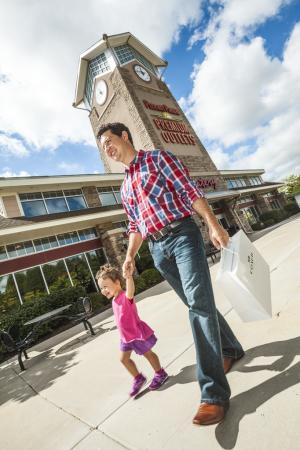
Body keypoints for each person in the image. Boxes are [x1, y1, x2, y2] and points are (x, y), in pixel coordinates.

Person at [97, 122, 244, 425]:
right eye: (102, 147)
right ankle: (230, 349)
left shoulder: (158, 159)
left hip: (182, 235)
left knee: (199, 305)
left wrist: (213, 224)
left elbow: (190, 192)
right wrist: (129, 256)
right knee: (197, 303)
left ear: (125, 136)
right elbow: (135, 225)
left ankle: (212, 394)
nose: (107, 149)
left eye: (109, 141)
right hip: (157, 249)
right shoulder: (124, 187)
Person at [96, 264, 168, 398]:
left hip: (136, 334)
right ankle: (138, 378)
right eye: (101, 288)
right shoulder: (114, 300)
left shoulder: (125, 297)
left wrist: (129, 277)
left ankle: (160, 373)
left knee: (148, 354)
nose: (103, 290)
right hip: (125, 338)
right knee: (123, 359)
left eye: (105, 286)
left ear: (117, 282)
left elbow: (131, 291)